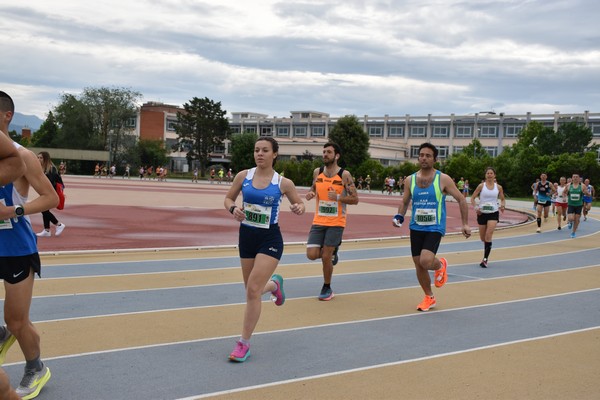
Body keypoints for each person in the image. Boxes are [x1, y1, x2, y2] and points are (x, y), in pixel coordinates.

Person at [223, 137, 305, 362]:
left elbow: (300, 204)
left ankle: (244, 344)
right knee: (253, 290)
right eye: (257, 150)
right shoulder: (243, 176)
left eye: (265, 150)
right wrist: (233, 209)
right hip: (246, 237)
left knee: (252, 291)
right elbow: (228, 198)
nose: (260, 154)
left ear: (274, 154)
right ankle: (275, 285)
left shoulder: (283, 183)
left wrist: (298, 207)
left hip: (270, 239)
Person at [0, 90, 56, 399]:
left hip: (16, 248)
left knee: (17, 320)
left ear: (7, 116)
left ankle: (36, 367)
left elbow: (51, 198)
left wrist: (13, 210)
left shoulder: (22, 157)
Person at [393, 142, 471, 311]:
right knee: (418, 264)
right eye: (421, 155)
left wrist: (465, 223)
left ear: (435, 159)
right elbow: (405, 201)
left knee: (426, 260)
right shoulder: (410, 180)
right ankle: (429, 297)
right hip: (416, 227)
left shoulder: (442, 179)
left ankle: (440, 265)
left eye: (428, 156)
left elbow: (462, 199)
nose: (424, 158)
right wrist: (399, 216)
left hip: (434, 227)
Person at [305, 142, 359, 301]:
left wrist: (338, 198)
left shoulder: (344, 175)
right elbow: (314, 188)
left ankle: (327, 287)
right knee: (312, 254)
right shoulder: (318, 172)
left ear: (336, 156)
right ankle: (333, 250)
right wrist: (310, 193)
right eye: (323, 152)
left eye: (328, 152)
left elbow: (355, 199)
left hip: (336, 222)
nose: (325, 155)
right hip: (319, 220)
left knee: (326, 256)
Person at [470, 167, 505, 268]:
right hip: (482, 213)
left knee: (488, 235)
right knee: (483, 238)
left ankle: (485, 259)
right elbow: (472, 198)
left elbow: (502, 199)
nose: (489, 175)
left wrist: (502, 205)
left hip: (493, 212)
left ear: (494, 175)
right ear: (485, 175)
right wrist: (476, 207)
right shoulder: (481, 186)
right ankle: (486, 247)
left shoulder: (498, 187)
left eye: (491, 173)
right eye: (488, 173)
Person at [36, 152, 66, 237]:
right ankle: (47, 230)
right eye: (37, 158)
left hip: (52, 192)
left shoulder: (51, 169)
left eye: (41, 158)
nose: (38, 159)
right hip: (46, 192)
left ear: (46, 159)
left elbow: (51, 183)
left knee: (43, 209)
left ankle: (59, 224)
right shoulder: (44, 169)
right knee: (44, 210)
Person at [564, 173, 589, 238]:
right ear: (572, 178)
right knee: (571, 218)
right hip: (571, 204)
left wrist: (586, 193)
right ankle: (570, 222)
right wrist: (564, 197)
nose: (575, 178)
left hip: (579, 205)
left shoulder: (582, 186)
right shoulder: (568, 185)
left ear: (579, 178)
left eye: (576, 177)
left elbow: (588, 194)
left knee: (577, 219)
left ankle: (573, 232)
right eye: (574, 177)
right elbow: (564, 192)